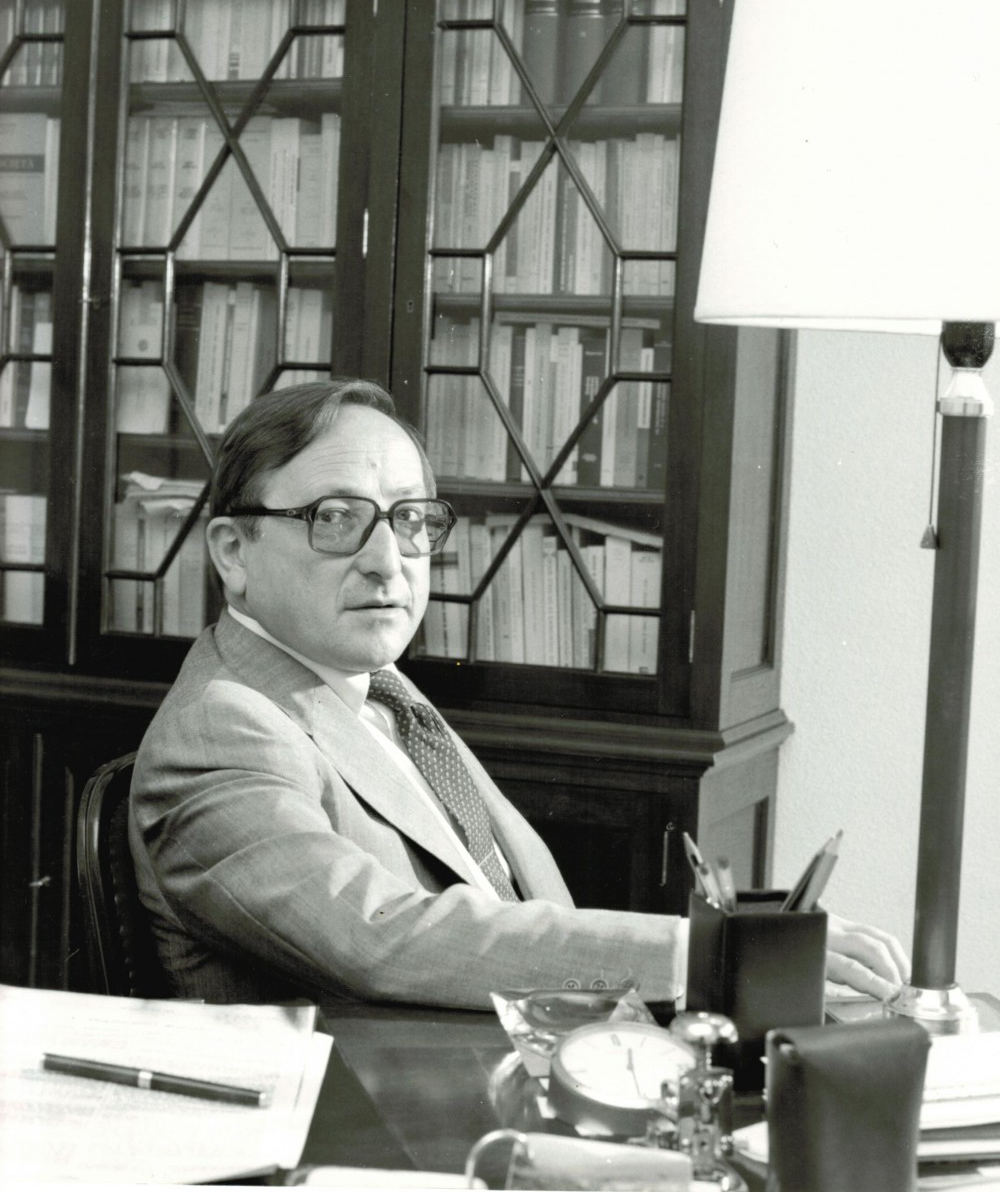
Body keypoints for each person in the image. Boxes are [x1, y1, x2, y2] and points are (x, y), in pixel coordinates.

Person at [130, 378, 909, 1009]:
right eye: (336, 518)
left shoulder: (377, 687)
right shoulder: (222, 728)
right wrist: (706, 956)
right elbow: (379, 936)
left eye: (410, 518)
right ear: (232, 552)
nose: (388, 561)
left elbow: (512, 904)